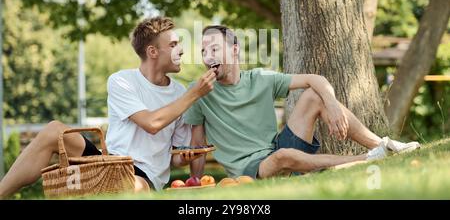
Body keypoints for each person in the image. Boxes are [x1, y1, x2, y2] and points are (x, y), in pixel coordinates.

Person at [0, 17, 215, 199]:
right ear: (152, 51)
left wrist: (184, 158)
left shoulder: (179, 93)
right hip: (109, 163)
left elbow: (175, 157)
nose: (181, 50)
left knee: (133, 187)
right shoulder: (122, 81)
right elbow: (151, 123)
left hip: (144, 177)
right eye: (173, 45)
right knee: (54, 130)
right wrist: (194, 93)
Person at [186, 25, 420, 179]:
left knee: (314, 95)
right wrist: (194, 182)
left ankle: (383, 144)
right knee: (281, 157)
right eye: (204, 51)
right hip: (252, 170)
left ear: (234, 50)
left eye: (215, 48)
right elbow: (198, 144)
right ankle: (366, 159)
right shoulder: (199, 92)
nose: (209, 56)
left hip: (277, 148)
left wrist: (333, 106)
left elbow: (314, 79)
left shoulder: (260, 79)